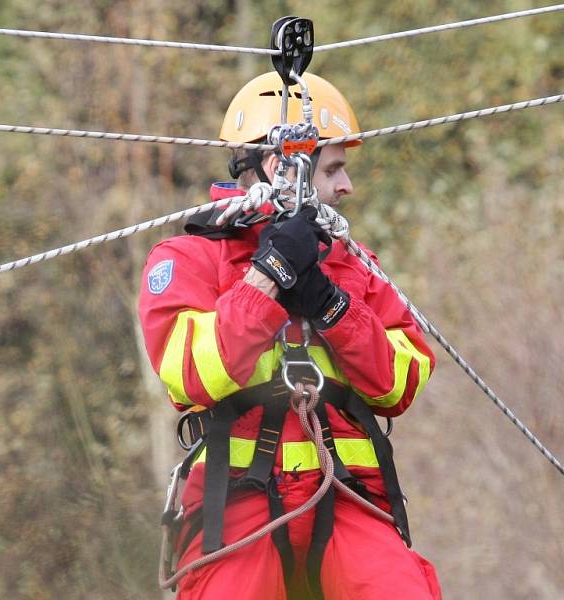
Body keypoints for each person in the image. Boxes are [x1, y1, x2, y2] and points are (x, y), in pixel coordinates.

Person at [138, 71, 441, 600]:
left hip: (348, 494)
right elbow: (189, 375)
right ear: (284, 167)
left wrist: (331, 304)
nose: (346, 186)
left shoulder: (357, 265)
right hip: (235, 500)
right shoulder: (188, 259)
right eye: (334, 168)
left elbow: (401, 381)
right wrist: (268, 276)